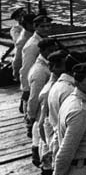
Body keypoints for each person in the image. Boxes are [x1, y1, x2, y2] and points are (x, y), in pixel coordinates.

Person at [38, 49, 68, 175]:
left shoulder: (57, 86)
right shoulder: (50, 89)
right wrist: (47, 142)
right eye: (63, 66)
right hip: (51, 133)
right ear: (53, 68)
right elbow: (43, 120)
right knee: (52, 168)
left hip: (54, 132)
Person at [25, 38, 58, 166]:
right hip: (41, 114)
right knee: (43, 143)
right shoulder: (39, 70)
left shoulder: (48, 64)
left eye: (55, 49)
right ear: (42, 51)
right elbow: (33, 97)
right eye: (51, 50)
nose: (53, 52)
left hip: (46, 111)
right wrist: (31, 116)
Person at [20, 14, 53, 118]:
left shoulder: (46, 40)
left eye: (48, 26)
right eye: (42, 26)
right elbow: (26, 68)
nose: (46, 29)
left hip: (45, 76)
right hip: (35, 79)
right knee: (33, 109)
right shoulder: (32, 45)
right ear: (35, 27)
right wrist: (26, 89)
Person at [13, 13, 35, 112]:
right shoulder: (23, 40)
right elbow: (17, 59)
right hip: (26, 68)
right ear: (27, 24)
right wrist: (16, 71)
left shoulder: (31, 35)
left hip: (33, 66)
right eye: (32, 23)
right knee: (27, 91)